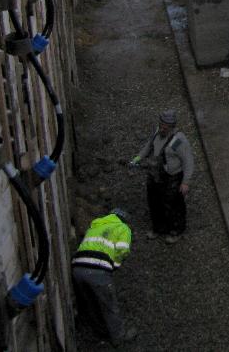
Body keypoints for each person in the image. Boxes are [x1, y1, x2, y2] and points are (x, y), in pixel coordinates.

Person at [72, 208, 137, 345]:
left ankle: (100, 331)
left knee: (90, 302)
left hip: (77, 267)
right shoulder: (123, 228)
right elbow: (122, 250)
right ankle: (119, 336)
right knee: (109, 304)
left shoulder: (96, 225)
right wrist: (115, 265)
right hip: (97, 271)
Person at [130, 110, 194, 243]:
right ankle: (158, 228)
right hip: (155, 174)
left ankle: (176, 231)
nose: (162, 128)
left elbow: (188, 161)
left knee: (173, 205)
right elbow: (148, 146)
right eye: (161, 124)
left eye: (166, 126)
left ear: (172, 126)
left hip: (172, 178)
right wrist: (138, 158)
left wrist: (185, 182)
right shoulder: (157, 132)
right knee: (154, 202)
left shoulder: (177, 141)